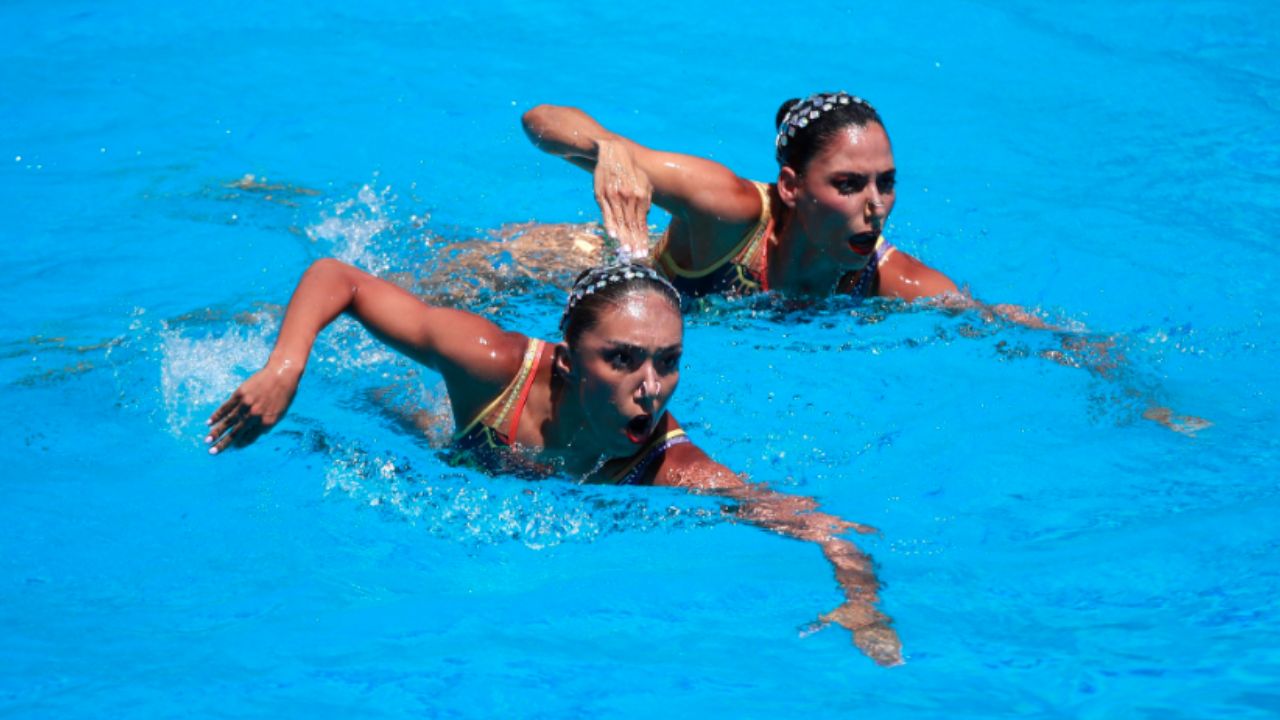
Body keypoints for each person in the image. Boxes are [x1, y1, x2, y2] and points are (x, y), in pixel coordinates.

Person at [204, 257, 904, 665]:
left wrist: (862, 606)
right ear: (569, 361)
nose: (650, 386)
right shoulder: (492, 365)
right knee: (387, 401)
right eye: (623, 359)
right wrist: (286, 368)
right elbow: (339, 279)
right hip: (445, 430)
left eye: (668, 362)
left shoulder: (671, 464)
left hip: (480, 470)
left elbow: (822, 526)